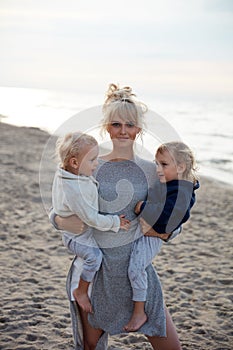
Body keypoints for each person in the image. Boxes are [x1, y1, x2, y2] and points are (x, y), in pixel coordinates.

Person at [50, 83, 182, 350]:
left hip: (136, 274)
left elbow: (173, 220)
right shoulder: (89, 165)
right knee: (91, 346)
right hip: (96, 275)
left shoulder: (151, 171)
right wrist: (63, 222)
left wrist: (162, 231)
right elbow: (58, 212)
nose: (123, 131)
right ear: (106, 127)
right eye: (116, 124)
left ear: (139, 129)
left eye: (130, 125)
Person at [125, 141, 200, 332]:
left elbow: (166, 221)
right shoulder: (171, 182)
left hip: (152, 237)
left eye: (163, 164)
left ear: (181, 167)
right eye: (156, 163)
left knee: (136, 268)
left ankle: (139, 311)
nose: (158, 169)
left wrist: (143, 208)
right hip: (144, 231)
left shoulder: (182, 191)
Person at [52, 132, 130, 314]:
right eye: (92, 160)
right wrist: (115, 222)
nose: (96, 164)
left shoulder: (71, 174)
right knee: (94, 257)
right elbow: (92, 219)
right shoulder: (75, 190)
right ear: (74, 163)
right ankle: (80, 290)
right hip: (75, 236)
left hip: (77, 232)